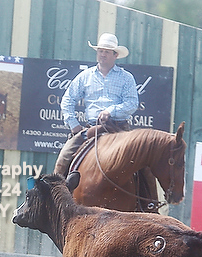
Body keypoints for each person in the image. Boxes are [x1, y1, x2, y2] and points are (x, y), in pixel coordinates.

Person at [54, 33, 139, 176]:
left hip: (119, 128)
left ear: (115, 55)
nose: (103, 54)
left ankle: (148, 192)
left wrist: (110, 111)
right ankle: (56, 189)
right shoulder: (85, 76)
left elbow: (132, 103)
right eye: (100, 51)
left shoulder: (126, 77)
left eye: (107, 52)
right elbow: (67, 99)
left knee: (143, 165)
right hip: (92, 128)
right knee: (63, 158)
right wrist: (74, 125)